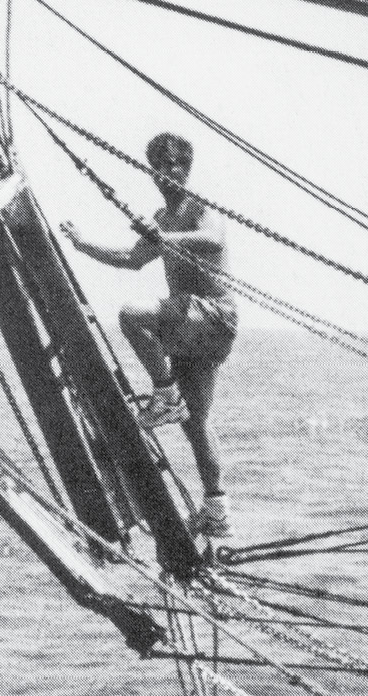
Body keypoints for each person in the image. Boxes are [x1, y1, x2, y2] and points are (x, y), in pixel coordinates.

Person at [60, 132, 237, 538]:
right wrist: (83, 244)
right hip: (192, 328)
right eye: (160, 165)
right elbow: (132, 258)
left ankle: (165, 394)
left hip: (212, 316)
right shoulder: (161, 219)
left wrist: (163, 238)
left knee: (131, 315)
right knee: (196, 424)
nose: (168, 172)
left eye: (176, 164)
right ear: (152, 171)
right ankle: (218, 510)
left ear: (187, 169)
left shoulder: (199, 209)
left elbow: (213, 238)